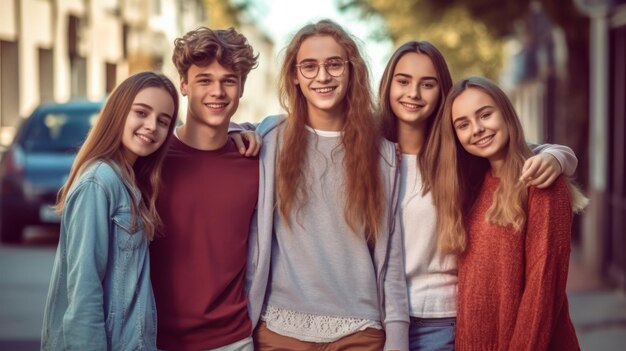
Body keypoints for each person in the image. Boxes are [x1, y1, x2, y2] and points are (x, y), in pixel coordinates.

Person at [377, 41, 579, 350]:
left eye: (427, 84)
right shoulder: (372, 159)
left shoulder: (479, 168)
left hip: (447, 322)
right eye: (403, 81)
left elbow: (543, 289)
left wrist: (558, 157)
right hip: (390, 322)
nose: (414, 93)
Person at [234, 19, 409, 351]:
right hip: (280, 332)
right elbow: (212, 132)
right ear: (295, 77)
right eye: (309, 66)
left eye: (334, 64)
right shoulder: (270, 139)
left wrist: (542, 150)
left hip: (360, 332)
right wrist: (235, 133)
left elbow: (392, 261)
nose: (323, 76)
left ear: (351, 70)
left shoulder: (382, 154)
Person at [433, 76, 585, 350]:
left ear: (506, 113)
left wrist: (556, 156)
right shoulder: (474, 186)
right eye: (463, 124)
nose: (477, 129)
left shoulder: (542, 183)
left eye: (485, 115)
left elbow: (543, 290)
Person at [41, 71, 179, 350]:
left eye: (163, 121)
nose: (152, 126)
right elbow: (84, 294)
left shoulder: (130, 181)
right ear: (118, 112)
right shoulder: (99, 182)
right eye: (141, 112)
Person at [148, 27, 260, 351]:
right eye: (204, 80)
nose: (218, 91)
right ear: (183, 84)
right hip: (154, 339)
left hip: (233, 340)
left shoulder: (255, 160)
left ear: (241, 87)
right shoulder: (151, 160)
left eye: (229, 80)